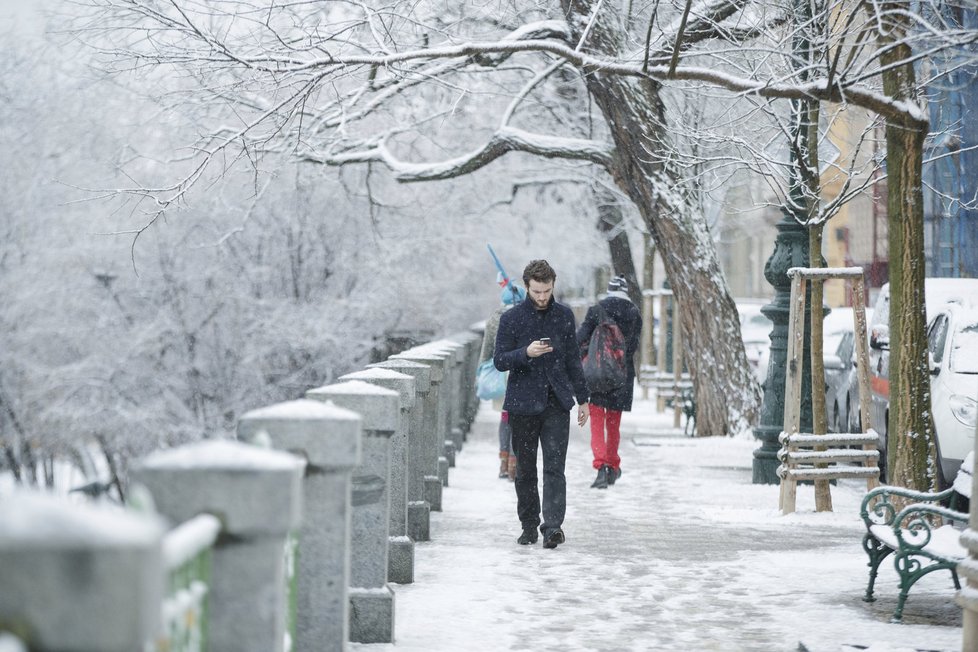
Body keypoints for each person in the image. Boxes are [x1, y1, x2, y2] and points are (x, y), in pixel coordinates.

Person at [493, 259, 589, 549]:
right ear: (526, 287)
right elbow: (499, 360)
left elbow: (573, 359)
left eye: (547, 290)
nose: (542, 297)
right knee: (525, 469)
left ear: (553, 286)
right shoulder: (511, 319)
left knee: (555, 467)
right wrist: (526, 352)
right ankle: (528, 524)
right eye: (536, 291)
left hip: (556, 402)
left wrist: (583, 400)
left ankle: (553, 527)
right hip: (522, 404)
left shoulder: (563, 316)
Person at [576, 275, 643, 490]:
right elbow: (633, 346)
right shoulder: (634, 313)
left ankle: (601, 466)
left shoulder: (597, 310)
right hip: (621, 375)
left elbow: (580, 338)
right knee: (614, 423)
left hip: (596, 373)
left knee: (596, 420)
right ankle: (613, 465)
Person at [478, 280, 526, 480]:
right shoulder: (526, 317)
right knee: (521, 420)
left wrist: (481, 370)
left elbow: (487, 349)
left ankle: (504, 462)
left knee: (506, 418)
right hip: (522, 373)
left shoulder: (495, 319)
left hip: (501, 372)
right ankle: (515, 462)